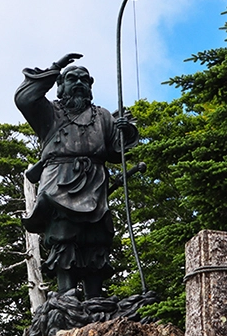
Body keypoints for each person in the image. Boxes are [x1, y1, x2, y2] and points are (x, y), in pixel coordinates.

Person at [15, 53, 138, 299]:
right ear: (60, 86)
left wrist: (124, 132)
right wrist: (55, 68)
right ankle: (66, 295)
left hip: (95, 182)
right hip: (59, 181)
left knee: (96, 239)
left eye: (84, 80)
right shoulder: (49, 113)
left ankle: (95, 297)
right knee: (63, 236)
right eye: (72, 78)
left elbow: (116, 152)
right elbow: (25, 99)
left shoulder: (102, 115)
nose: (79, 83)